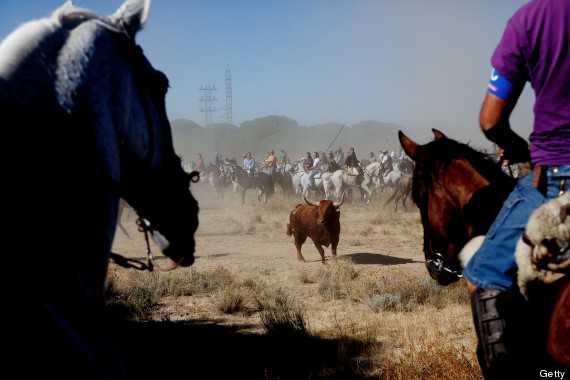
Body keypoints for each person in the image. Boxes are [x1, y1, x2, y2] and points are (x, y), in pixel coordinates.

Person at [462, 1, 570, 377]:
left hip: (556, 179)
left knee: (482, 276)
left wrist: (517, 145)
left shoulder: (531, 19)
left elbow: (490, 120)